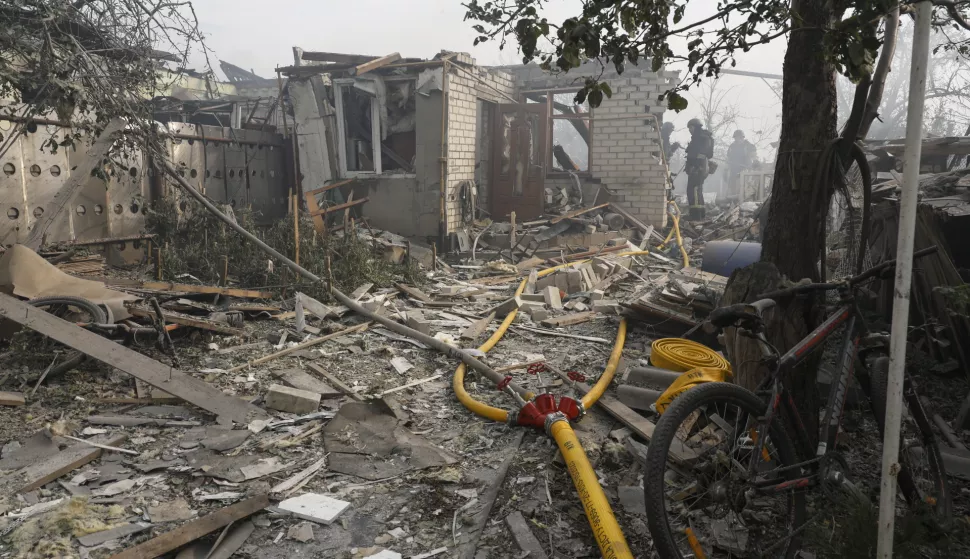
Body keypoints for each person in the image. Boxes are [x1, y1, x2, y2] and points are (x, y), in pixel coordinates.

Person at [684, 118, 714, 220]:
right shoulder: (696, 138)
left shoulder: (703, 137)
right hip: (695, 168)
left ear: (696, 127)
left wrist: (695, 163)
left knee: (694, 191)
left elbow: (706, 153)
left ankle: (696, 216)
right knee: (694, 190)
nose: (689, 130)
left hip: (699, 168)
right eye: (688, 128)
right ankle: (699, 214)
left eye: (691, 127)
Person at [726, 130, 758, 200]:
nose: (738, 139)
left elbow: (754, 154)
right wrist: (728, 163)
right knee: (733, 185)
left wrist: (754, 163)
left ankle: (745, 200)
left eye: (739, 138)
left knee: (744, 186)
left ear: (742, 137)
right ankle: (733, 201)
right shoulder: (732, 146)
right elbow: (728, 157)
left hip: (745, 169)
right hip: (734, 169)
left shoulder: (748, 145)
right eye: (736, 138)